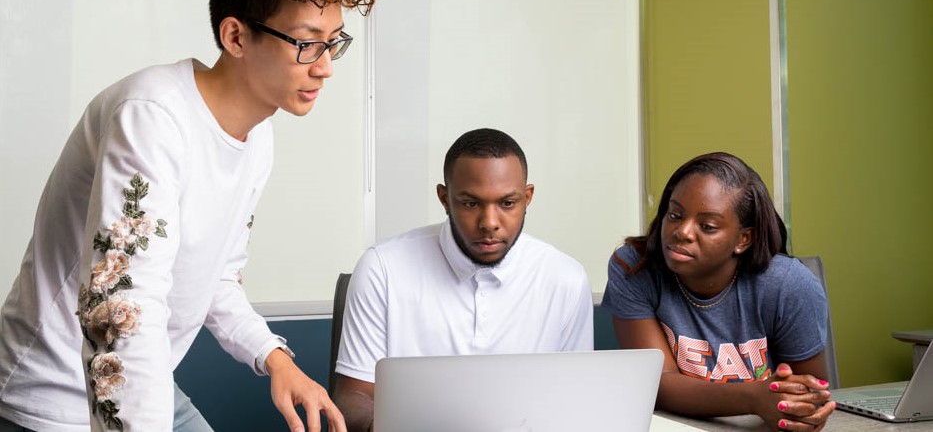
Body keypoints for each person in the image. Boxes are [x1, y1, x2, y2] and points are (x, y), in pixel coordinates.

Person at [0, 0, 385, 431]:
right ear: (235, 36)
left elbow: (216, 277)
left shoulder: (257, 136)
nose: (325, 65)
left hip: (149, 370)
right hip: (55, 392)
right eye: (306, 42)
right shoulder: (152, 116)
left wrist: (274, 358)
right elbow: (121, 309)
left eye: (333, 40)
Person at [332, 128, 594, 432]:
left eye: (507, 203)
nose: (490, 223)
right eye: (471, 204)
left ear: (527, 197)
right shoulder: (382, 268)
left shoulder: (565, 278)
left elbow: (574, 398)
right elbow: (354, 395)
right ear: (445, 198)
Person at [602, 152, 835, 432]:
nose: (683, 231)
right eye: (674, 215)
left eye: (707, 226)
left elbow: (810, 396)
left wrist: (800, 408)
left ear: (743, 239)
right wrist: (755, 397)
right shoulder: (634, 267)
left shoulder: (789, 284)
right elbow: (656, 382)